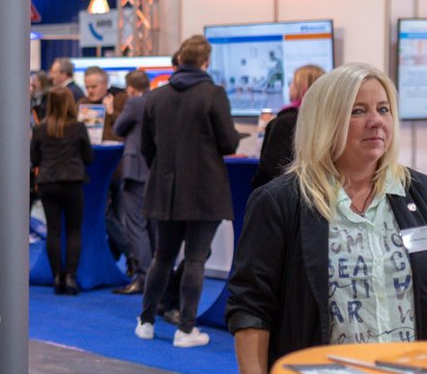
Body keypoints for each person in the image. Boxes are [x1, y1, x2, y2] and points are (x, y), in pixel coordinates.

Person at [227, 63, 427, 374]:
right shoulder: (281, 202)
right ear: (325, 121)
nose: (376, 121)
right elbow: (251, 305)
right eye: (358, 111)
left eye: (383, 109)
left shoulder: (423, 195)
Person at [137, 35, 242, 348]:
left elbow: (146, 147)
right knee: (196, 260)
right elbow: (229, 143)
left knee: (162, 257)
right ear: (206, 62)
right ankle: (186, 330)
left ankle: (145, 322)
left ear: (180, 60)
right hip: (203, 190)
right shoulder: (213, 95)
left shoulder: (156, 97)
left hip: (164, 190)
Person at [32, 87, 93, 296]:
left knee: (54, 231)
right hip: (72, 182)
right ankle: (70, 277)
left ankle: (57, 276)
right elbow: (88, 157)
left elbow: (35, 158)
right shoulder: (78, 127)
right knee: (74, 231)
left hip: (48, 183)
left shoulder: (40, 128)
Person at [110, 69, 153, 295]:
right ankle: (155, 278)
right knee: (153, 227)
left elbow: (119, 128)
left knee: (136, 226)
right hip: (155, 170)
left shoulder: (135, 103)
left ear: (130, 88)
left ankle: (144, 277)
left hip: (136, 171)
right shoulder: (157, 100)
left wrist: (111, 112)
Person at [252, 64, 325, 188]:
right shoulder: (331, 120)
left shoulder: (285, 122)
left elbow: (270, 171)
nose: (289, 87)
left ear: (301, 88)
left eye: (292, 83)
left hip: (288, 194)